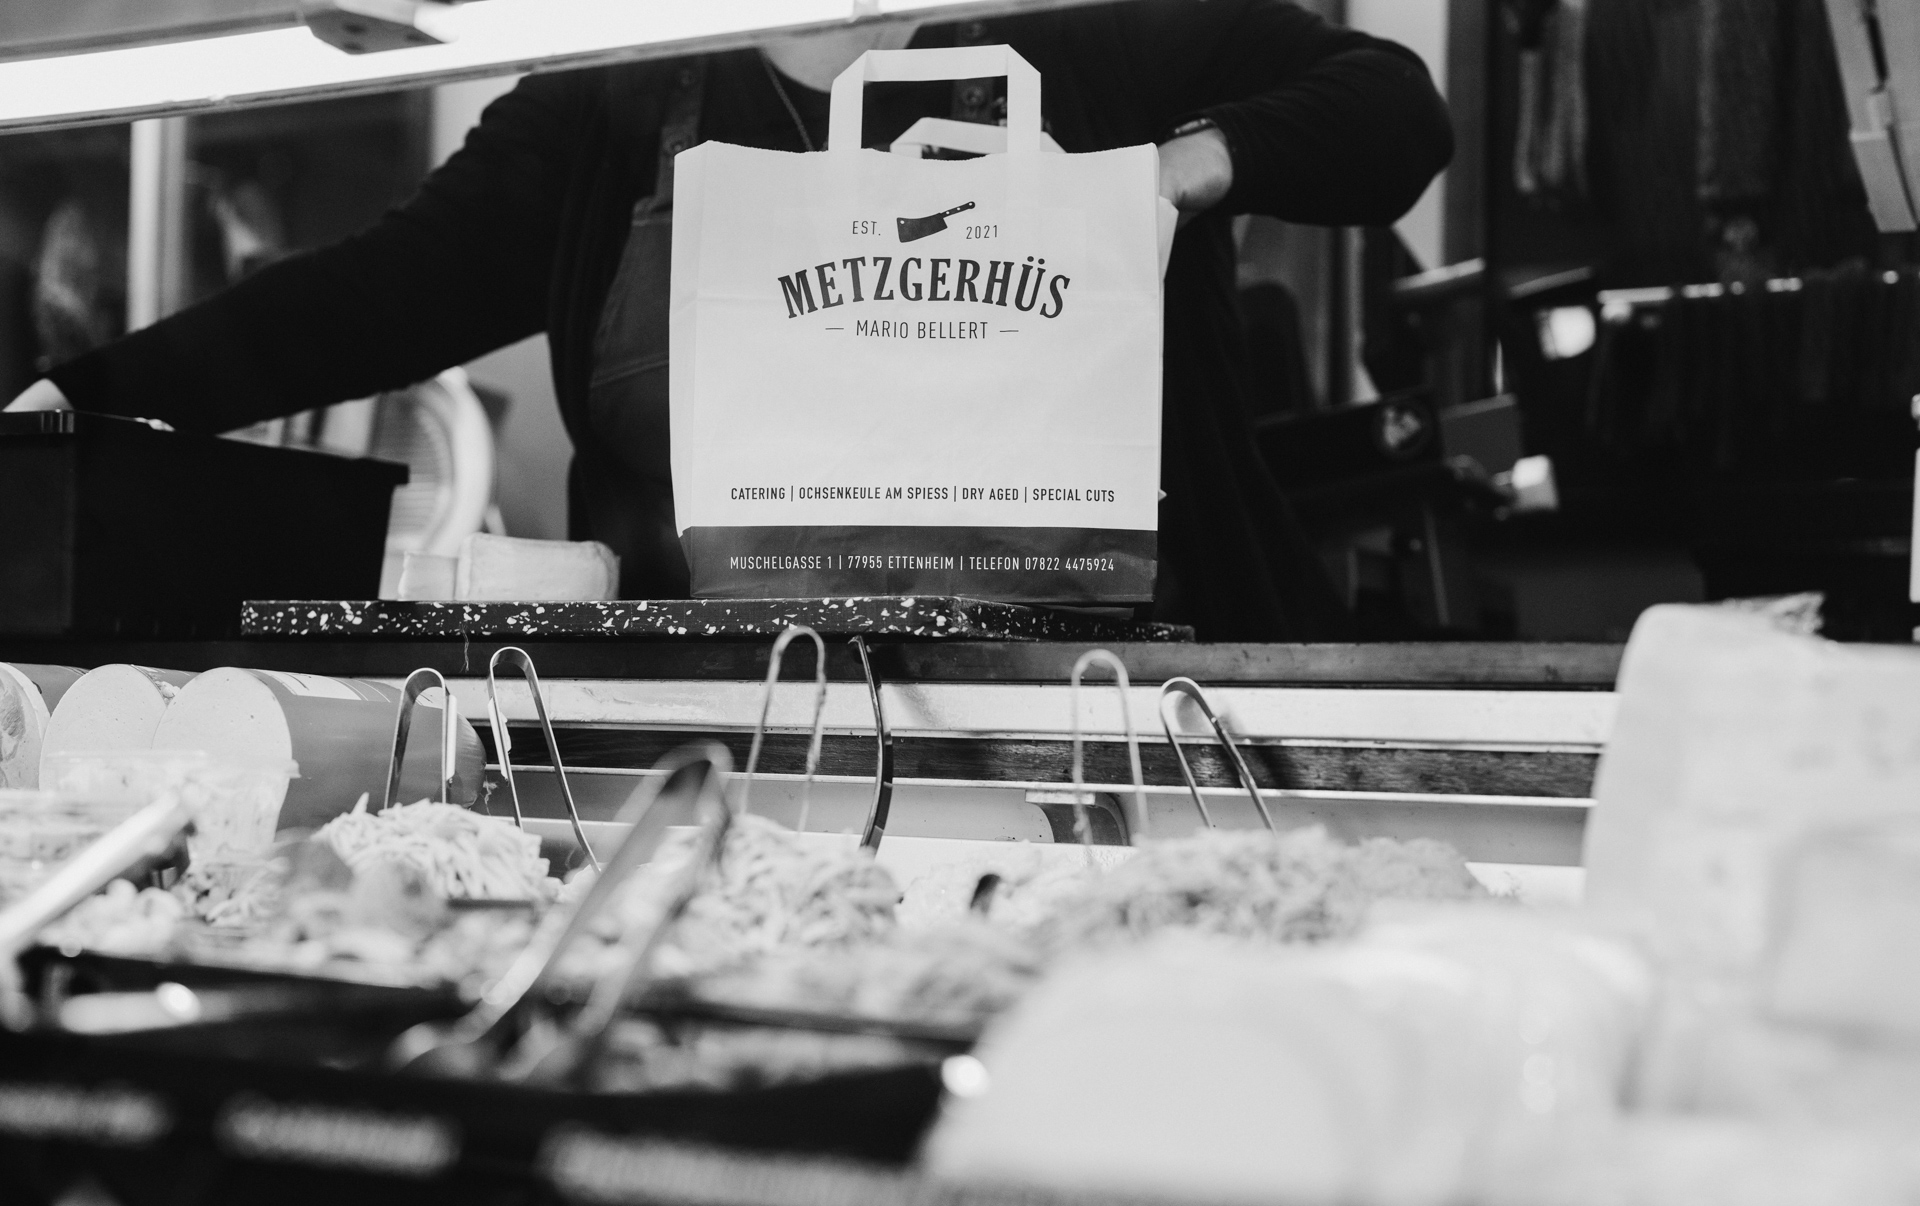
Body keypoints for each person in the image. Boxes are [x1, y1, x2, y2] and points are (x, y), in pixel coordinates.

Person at [9, 2, 1452, 640]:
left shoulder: (1094, 29)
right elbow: (372, 295)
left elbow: (1392, 110)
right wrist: (73, 403)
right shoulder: (616, 87)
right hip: (723, 735)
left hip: (1114, 709)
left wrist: (1171, 173)